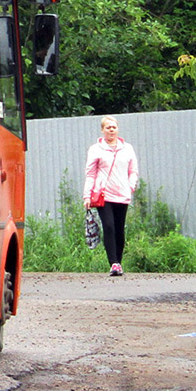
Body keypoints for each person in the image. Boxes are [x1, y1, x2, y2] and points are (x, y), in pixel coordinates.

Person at [84, 116, 140, 276]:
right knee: (108, 226)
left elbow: (133, 171)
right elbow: (90, 173)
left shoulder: (127, 148)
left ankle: (119, 263)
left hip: (122, 194)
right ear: (102, 130)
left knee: (119, 228)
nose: (111, 130)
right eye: (108, 127)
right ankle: (113, 262)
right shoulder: (96, 149)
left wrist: (130, 186)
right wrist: (87, 196)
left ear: (118, 129)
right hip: (103, 194)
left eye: (114, 127)